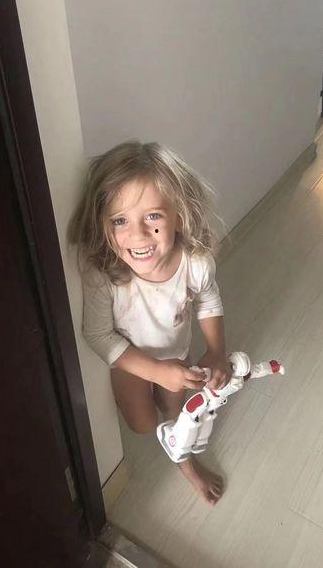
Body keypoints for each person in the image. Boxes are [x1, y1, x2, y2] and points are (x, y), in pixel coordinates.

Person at [68, 141, 231, 505]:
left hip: (176, 353)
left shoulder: (195, 263)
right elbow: (98, 334)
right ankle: (154, 398)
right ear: (103, 223)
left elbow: (208, 300)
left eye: (153, 216)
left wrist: (217, 351)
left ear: (180, 215)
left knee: (178, 413)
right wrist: (154, 372)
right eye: (120, 220)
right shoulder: (103, 273)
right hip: (130, 360)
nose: (138, 235)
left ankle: (188, 466)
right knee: (142, 424)